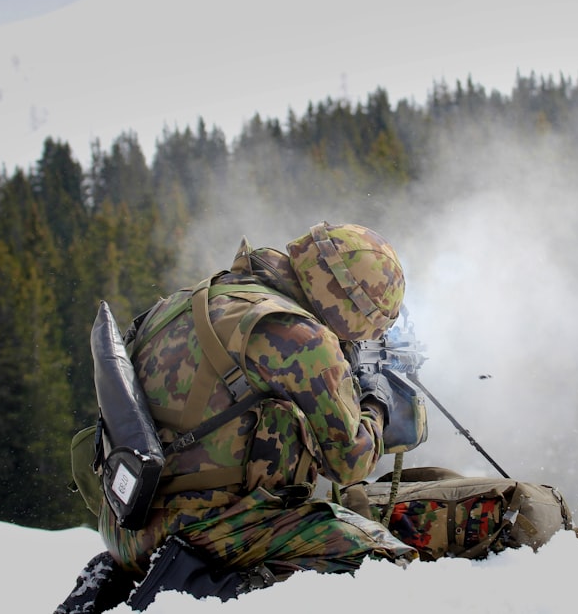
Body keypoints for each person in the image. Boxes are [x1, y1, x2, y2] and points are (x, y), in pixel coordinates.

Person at [55, 222, 418, 613]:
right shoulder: (301, 337)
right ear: (350, 306)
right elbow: (352, 462)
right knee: (383, 559)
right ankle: (223, 589)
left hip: (124, 527)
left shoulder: (194, 298)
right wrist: (376, 402)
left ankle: (131, 577)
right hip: (198, 532)